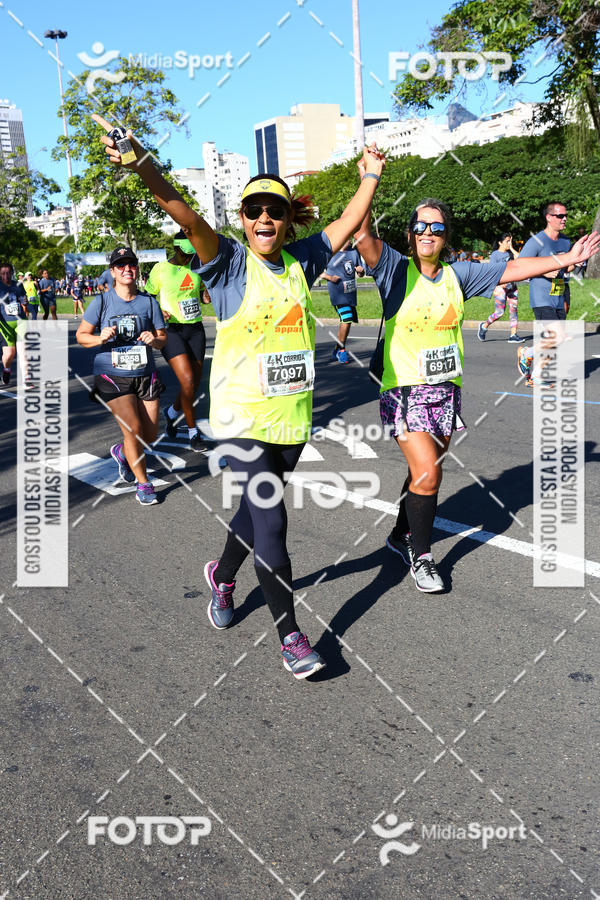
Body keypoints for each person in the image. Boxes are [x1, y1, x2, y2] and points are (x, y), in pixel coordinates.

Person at [94, 111, 385, 679]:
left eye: (275, 209)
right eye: (254, 210)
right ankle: (292, 638)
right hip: (240, 416)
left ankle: (222, 576)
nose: (265, 218)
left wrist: (370, 176)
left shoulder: (303, 262)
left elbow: (349, 223)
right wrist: (141, 162)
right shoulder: (226, 264)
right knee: (274, 522)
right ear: (244, 219)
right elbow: (180, 207)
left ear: (288, 218)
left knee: (255, 517)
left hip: (292, 416)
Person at [355, 196, 599, 593]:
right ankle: (422, 554)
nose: (427, 233)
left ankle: (399, 535)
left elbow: (514, 268)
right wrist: (371, 179)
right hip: (403, 389)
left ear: (445, 234)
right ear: (410, 233)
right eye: (420, 226)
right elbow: (363, 233)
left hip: (445, 391)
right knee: (429, 473)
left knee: (425, 470)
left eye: (436, 226)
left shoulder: (459, 275)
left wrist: (565, 258)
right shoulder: (394, 270)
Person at [75, 247, 167, 505]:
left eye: (131, 265)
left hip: (145, 373)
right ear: (113, 272)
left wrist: (154, 339)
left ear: (137, 270)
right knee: (133, 429)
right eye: (121, 265)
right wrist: (99, 337)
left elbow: (162, 337)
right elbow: (81, 336)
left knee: (148, 436)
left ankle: (122, 452)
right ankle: (144, 483)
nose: (127, 269)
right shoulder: (102, 302)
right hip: (112, 375)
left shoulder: (149, 302)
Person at [145, 230, 208, 451]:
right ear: (176, 248)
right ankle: (193, 433)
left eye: (191, 254)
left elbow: (202, 293)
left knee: (193, 385)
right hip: (171, 331)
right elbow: (148, 297)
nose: (188, 258)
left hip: (196, 329)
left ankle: (171, 413)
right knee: (188, 381)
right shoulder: (160, 269)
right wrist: (158, 310)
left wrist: (205, 294)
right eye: (184, 254)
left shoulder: (198, 265)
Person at [519, 201, 572, 320]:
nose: (564, 219)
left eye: (565, 216)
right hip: (542, 300)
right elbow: (519, 267)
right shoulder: (536, 241)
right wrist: (543, 271)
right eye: (560, 216)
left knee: (557, 337)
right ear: (548, 217)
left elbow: (566, 268)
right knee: (552, 336)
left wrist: (576, 262)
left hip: (559, 296)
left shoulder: (565, 241)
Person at [322, 240, 364, 363]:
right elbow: (318, 271)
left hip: (350, 294)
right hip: (337, 293)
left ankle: (337, 349)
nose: (349, 240)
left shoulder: (354, 252)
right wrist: (329, 278)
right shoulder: (330, 252)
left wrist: (361, 271)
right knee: (347, 318)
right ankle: (342, 351)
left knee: (347, 320)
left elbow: (360, 273)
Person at [477, 234, 523, 343]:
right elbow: (492, 272)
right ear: (500, 242)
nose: (509, 243)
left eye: (510, 241)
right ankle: (484, 325)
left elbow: (521, 260)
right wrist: (500, 283)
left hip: (512, 287)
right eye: (507, 241)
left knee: (513, 311)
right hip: (500, 288)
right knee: (499, 312)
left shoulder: (511, 253)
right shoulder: (495, 255)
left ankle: (513, 335)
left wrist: (512, 248)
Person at [0, 261, 26, 384]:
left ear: (12, 273)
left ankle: (27, 380)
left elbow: (23, 300)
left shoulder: (18, 285)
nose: (6, 276)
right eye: (3, 273)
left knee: (24, 351)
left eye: (8, 273)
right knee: (9, 354)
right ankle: (7, 368)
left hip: (21, 321)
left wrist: (24, 301)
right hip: (5, 323)